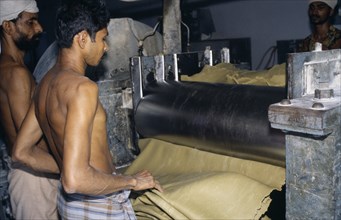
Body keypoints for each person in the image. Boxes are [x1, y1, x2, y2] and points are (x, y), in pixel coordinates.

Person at [13, 0, 163, 219]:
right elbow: (76, 180)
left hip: (70, 204)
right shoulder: (82, 88)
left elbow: (20, 152)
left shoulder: (44, 85)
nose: (106, 47)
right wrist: (132, 181)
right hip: (97, 204)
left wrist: (69, 168)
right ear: (82, 38)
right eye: (103, 38)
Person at [0, 1, 60, 219]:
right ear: (8, 27)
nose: (40, 28)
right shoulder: (16, 74)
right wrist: (67, 161)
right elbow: (30, 142)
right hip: (34, 179)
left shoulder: (8, 68)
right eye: (30, 22)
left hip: (31, 174)